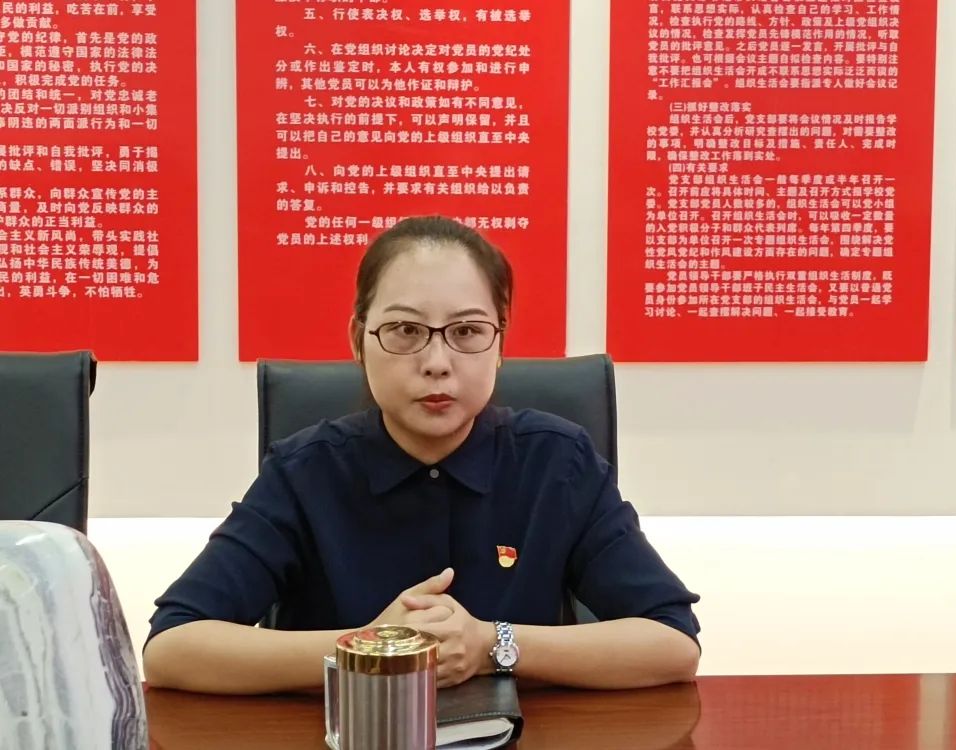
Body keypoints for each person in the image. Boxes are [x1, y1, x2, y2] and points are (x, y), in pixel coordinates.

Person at [143, 215, 700, 694]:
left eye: (467, 331)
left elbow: (672, 641)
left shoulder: (558, 463)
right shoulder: (305, 471)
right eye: (406, 330)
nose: (436, 362)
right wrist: (369, 648)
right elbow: (172, 648)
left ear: (499, 345)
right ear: (358, 340)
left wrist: (491, 644)